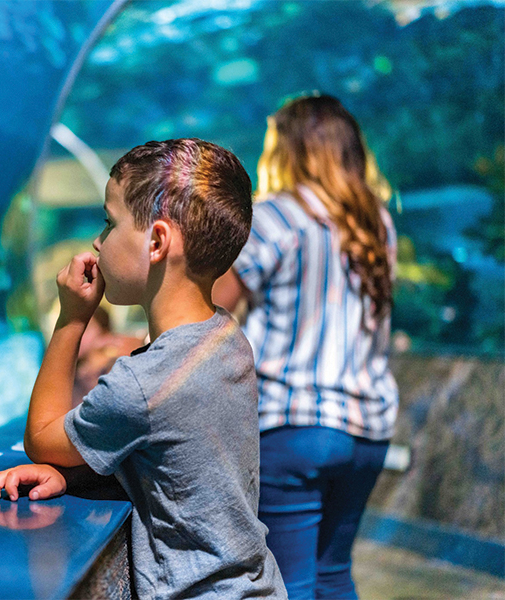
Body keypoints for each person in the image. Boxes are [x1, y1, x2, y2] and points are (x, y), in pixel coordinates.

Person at [0, 139, 286, 599]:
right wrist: (76, 476)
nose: (96, 240)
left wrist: (70, 320)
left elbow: (42, 439)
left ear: (158, 242)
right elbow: (177, 468)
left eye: (109, 223)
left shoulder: (141, 385)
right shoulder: (226, 339)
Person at [212, 94, 398, 600]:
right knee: (334, 575)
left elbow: (207, 313)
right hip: (367, 432)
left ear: (288, 149)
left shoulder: (276, 217)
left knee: (288, 585)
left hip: (295, 427)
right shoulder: (378, 225)